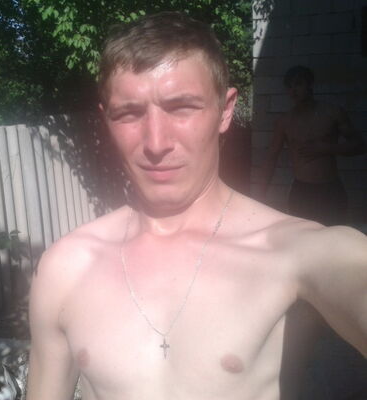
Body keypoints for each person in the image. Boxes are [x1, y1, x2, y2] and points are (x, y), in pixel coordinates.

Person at [26, 12, 367, 400]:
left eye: (182, 107)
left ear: (225, 110)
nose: (156, 142)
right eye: (129, 113)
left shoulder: (300, 251)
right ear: (107, 121)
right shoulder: (65, 267)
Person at [258, 65, 365, 225]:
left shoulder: (332, 113)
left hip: (330, 190)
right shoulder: (284, 122)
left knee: (332, 235)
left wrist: (327, 148)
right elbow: (271, 158)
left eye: (298, 84)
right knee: (302, 237)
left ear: (310, 85)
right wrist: (259, 196)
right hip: (302, 191)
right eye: (289, 86)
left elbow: (359, 145)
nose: (293, 90)